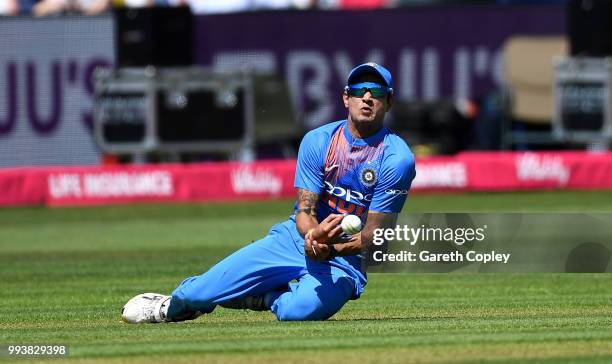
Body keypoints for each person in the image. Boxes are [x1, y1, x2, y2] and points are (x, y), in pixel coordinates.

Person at [121, 62, 416, 323]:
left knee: (297, 312)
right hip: (294, 239)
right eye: (359, 89)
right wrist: (314, 237)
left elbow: (375, 236)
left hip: (344, 261)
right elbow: (305, 211)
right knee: (196, 294)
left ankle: (262, 298)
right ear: (345, 97)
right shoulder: (319, 141)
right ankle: (166, 308)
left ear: (388, 101)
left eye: (376, 92)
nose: (367, 97)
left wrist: (330, 249)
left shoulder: (396, 158)